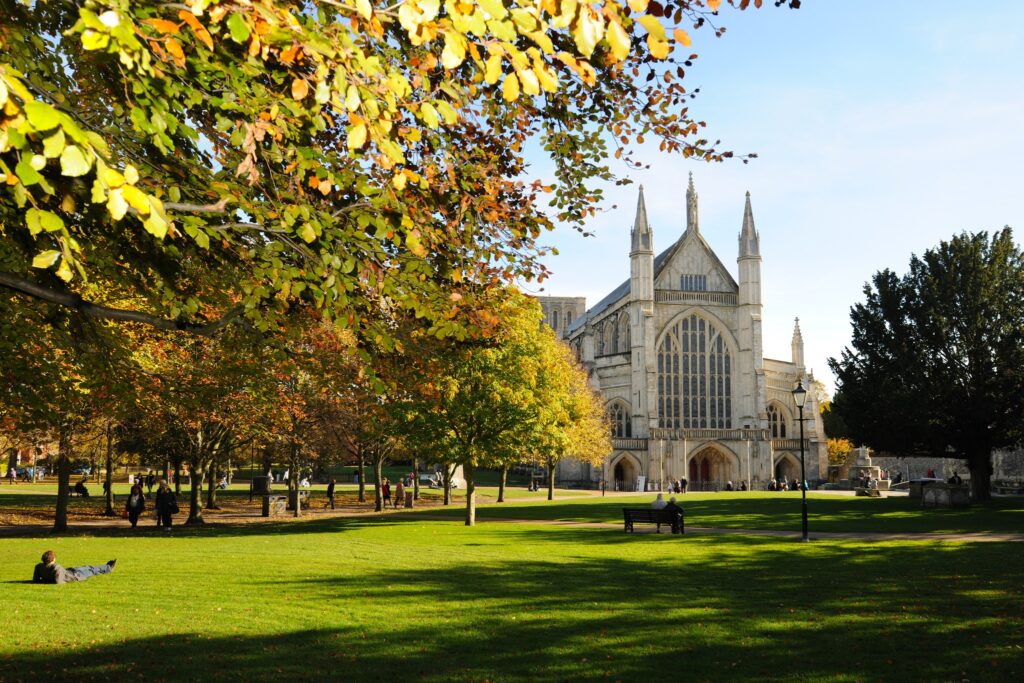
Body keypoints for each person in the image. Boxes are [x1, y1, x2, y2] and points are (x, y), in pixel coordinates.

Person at [33, 550, 115, 584]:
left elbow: (36, 580)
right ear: (53, 559)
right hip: (76, 575)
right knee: (92, 570)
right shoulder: (56, 567)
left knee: (88, 566)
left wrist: (45, 580)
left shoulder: (39, 566)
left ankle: (107, 566)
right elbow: (59, 581)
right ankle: (108, 567)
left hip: (71, 571)